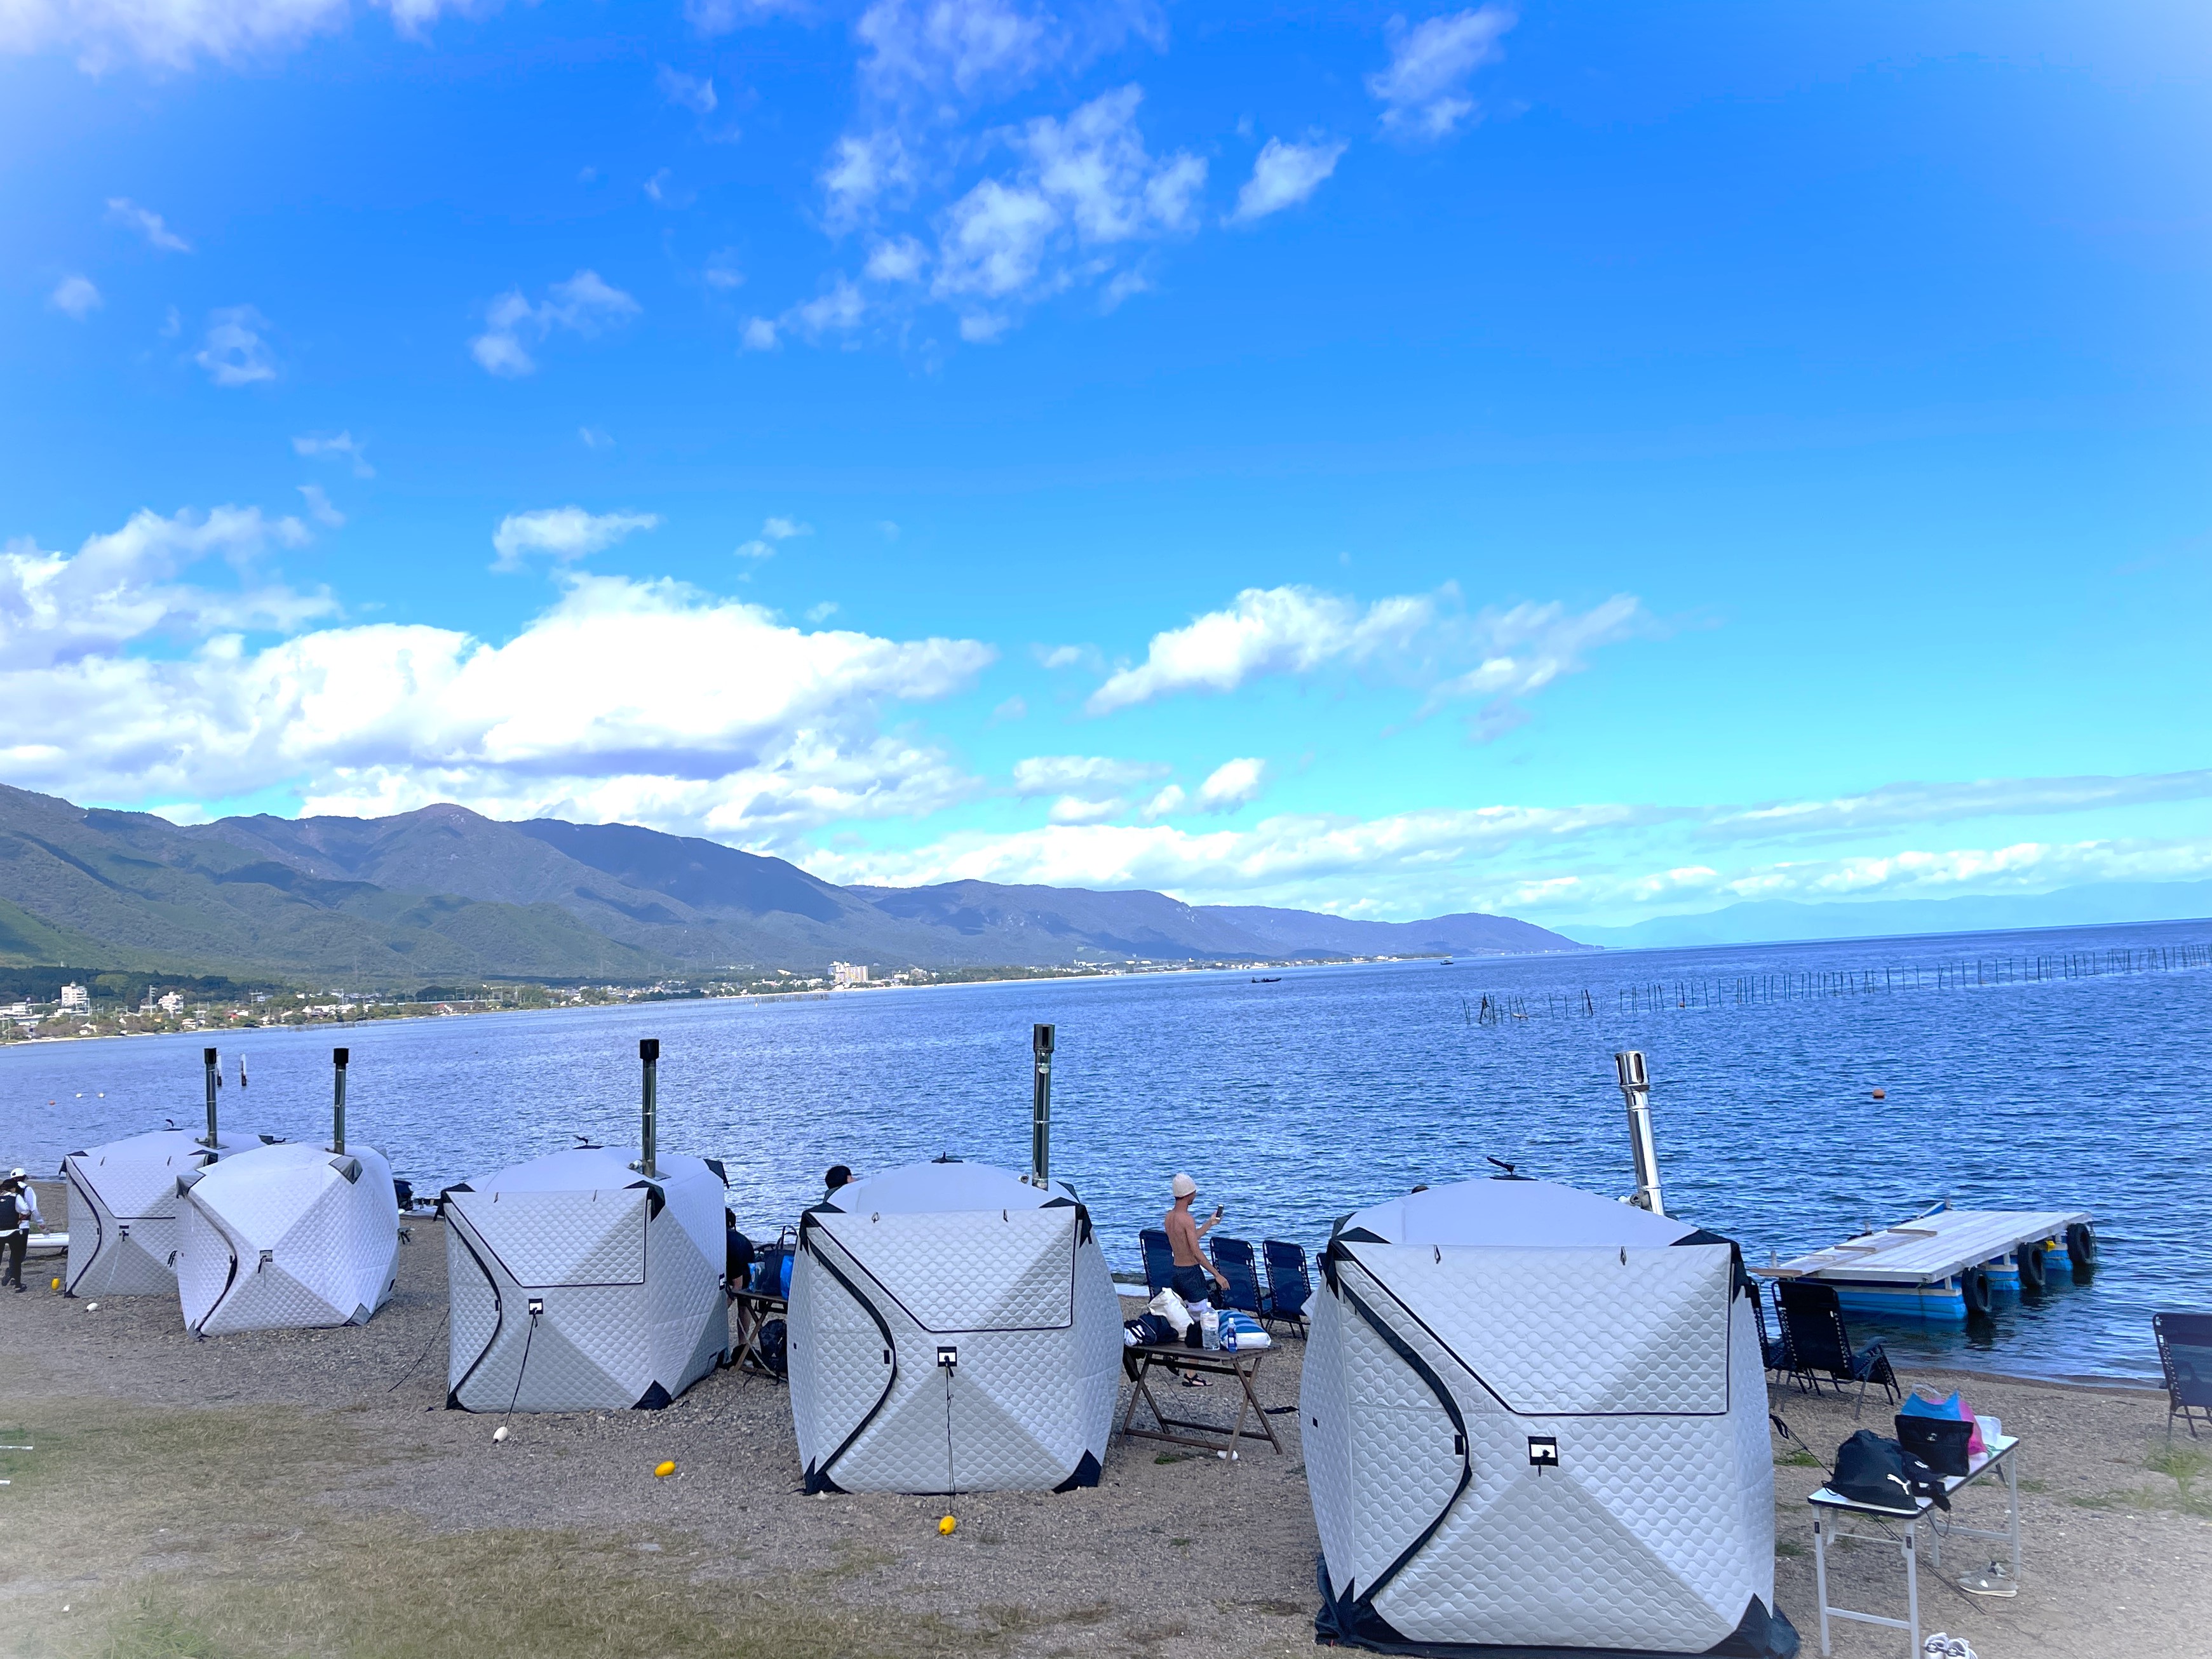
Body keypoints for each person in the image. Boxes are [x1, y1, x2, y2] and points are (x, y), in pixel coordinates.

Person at [1164, 1173, 1229, 1381]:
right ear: (1188, 1194)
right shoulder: (1187, 1219)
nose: (1196, 1195)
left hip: (1176, 1272)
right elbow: (1196, 1252)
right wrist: (1217, 1275)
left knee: (1182, 1318)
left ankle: (1173, 1353)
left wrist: (1210, 1223)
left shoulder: (1169, 1217)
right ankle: (1191, 1374)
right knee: (1201, 1323)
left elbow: (1187, 1241)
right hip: (1191, 1275)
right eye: (1194, 1192)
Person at [0, 1170, 39, 1292]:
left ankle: (10, 1275)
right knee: (17, 1257)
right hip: (14, 1231)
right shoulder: (16, 1196)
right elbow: (27, 1210)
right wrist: (20, 1219)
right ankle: (17, 1284)